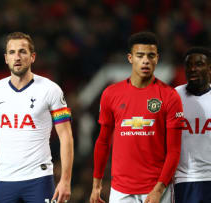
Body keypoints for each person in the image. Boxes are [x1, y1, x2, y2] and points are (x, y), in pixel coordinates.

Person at [0, 32, 74, 203]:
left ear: (33, 57)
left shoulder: (51, 89)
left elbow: (66, 136)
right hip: (5, 180)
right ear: (5, 58)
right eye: (12, 52)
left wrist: (65, 181)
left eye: (22, 52)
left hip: (39, 179)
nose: (17, 57)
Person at [89, 32, 184, 203]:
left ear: (157, 58)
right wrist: (96, 184)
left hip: (156, 189)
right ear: (130, 58)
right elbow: (103, 141)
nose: (146, 60)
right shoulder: (111, 94)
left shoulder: (170, 96)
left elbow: (174, 150)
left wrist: (159, 189)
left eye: (151, 55)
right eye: (140, 55)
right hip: (121, 190)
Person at [174, 47, 211, 203]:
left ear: (210, 68)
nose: (193, 69)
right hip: (185, 179)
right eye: (189, 65)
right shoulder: (174, 97)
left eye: (199, 64)